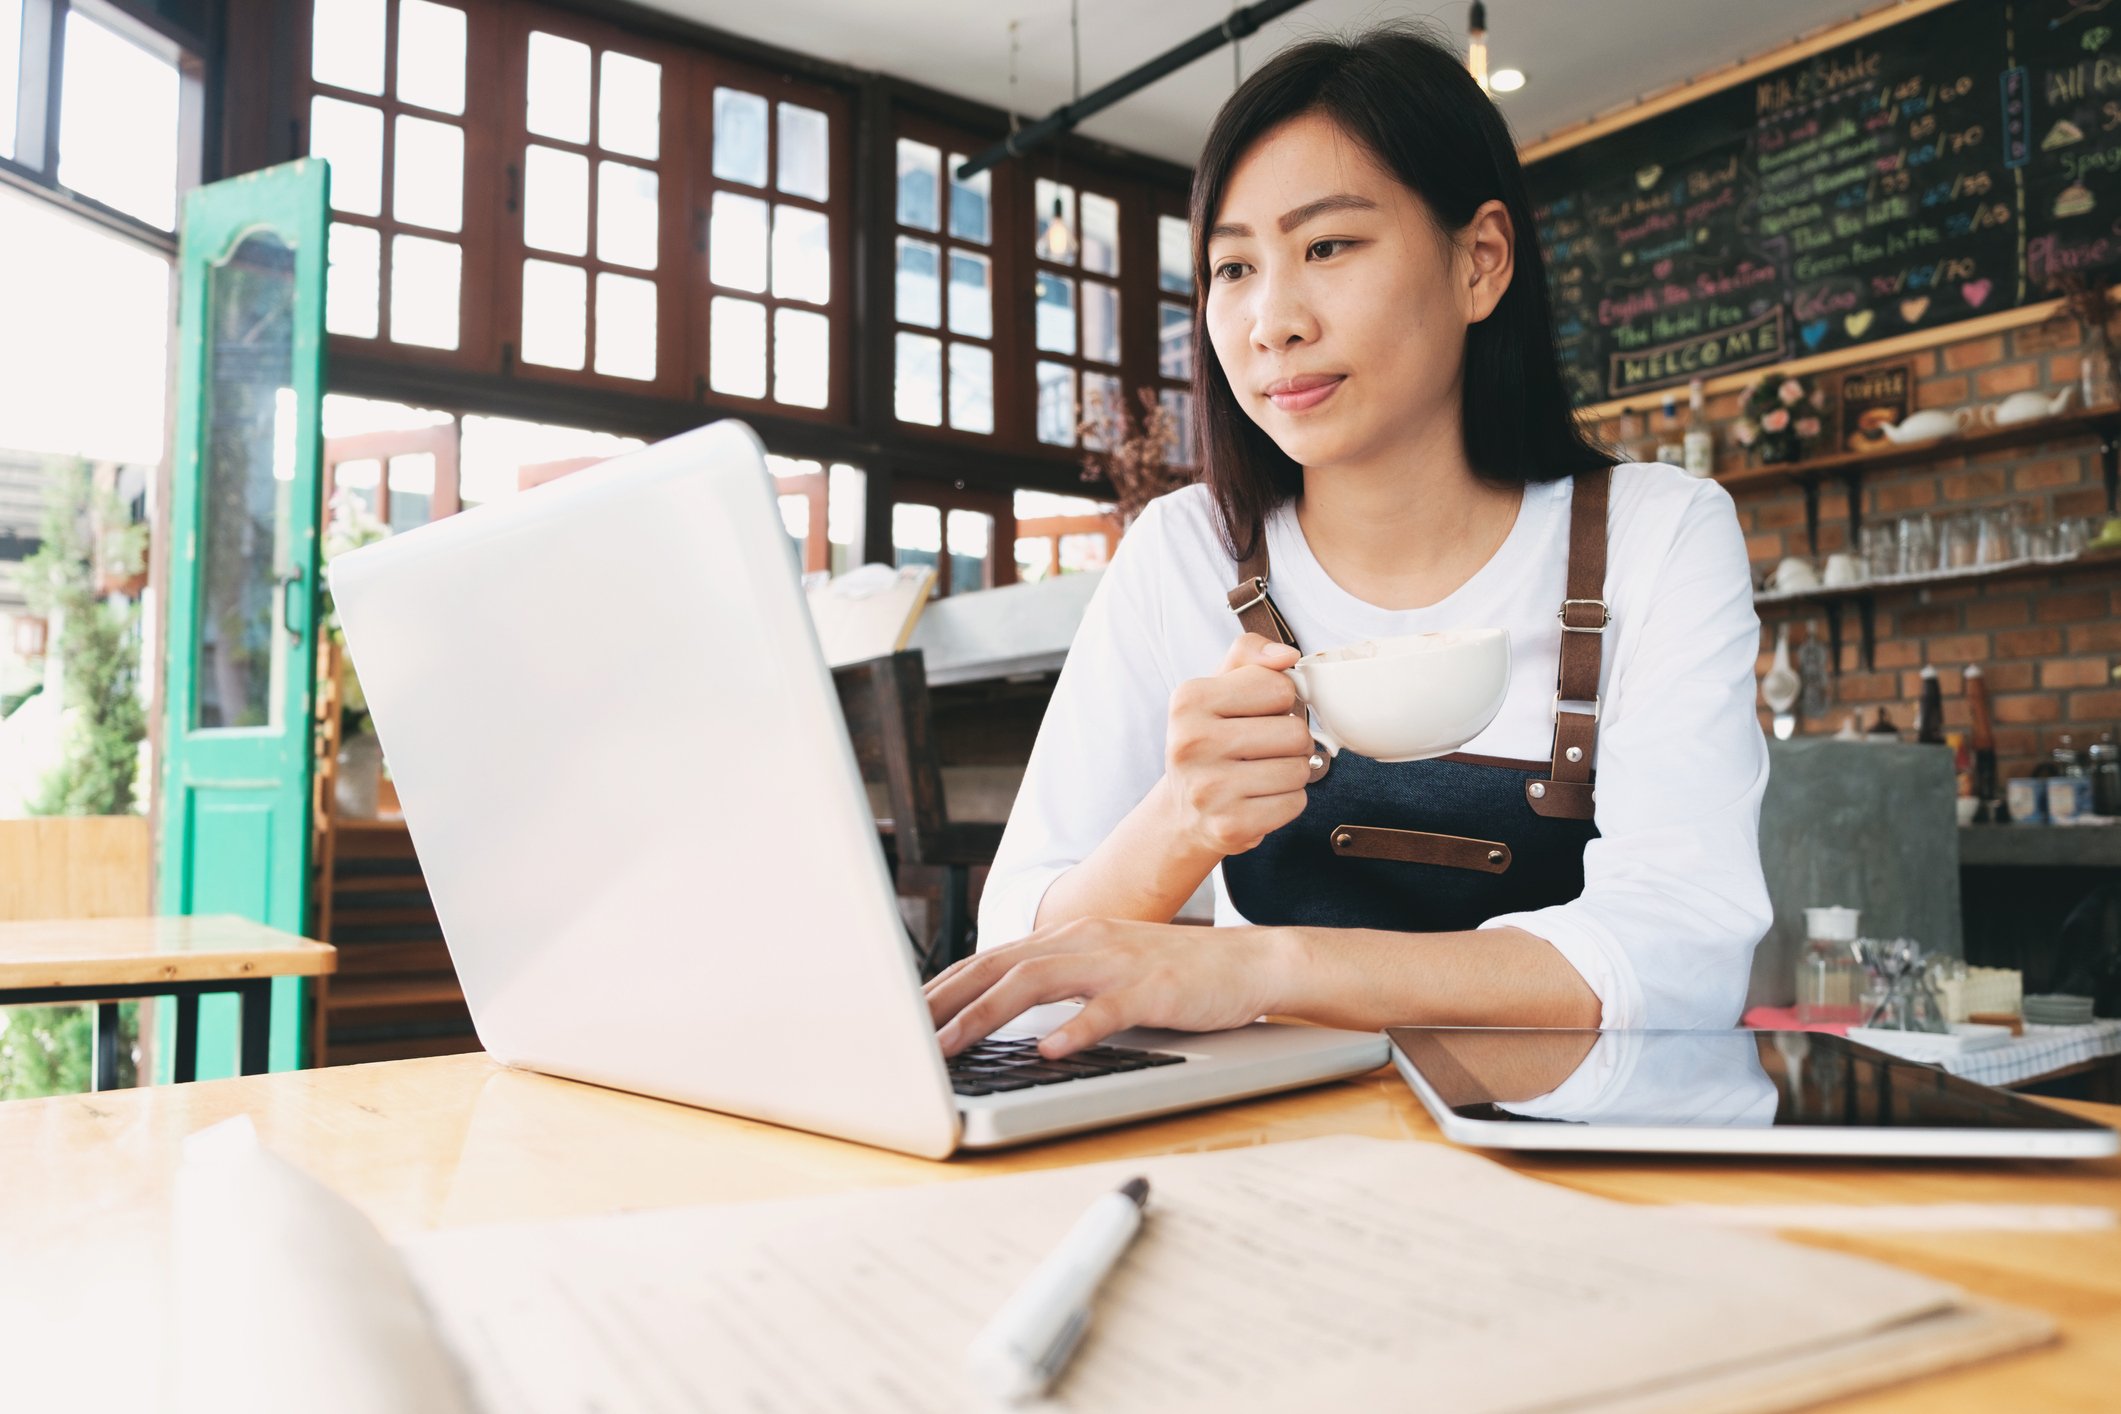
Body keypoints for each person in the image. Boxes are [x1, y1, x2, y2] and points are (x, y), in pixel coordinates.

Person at [926, 23, 1770, 1061]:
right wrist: (1180, 822)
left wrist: (1266, 968)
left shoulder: (1654, 536)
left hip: (1583, 1173)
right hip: (1279, 1163)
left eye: (1328, 246)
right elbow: (1020, 968)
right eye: (1233, 268)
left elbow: (1680, 960)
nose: (1272, 320)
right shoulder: (1184, 551)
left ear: (1481, 262)